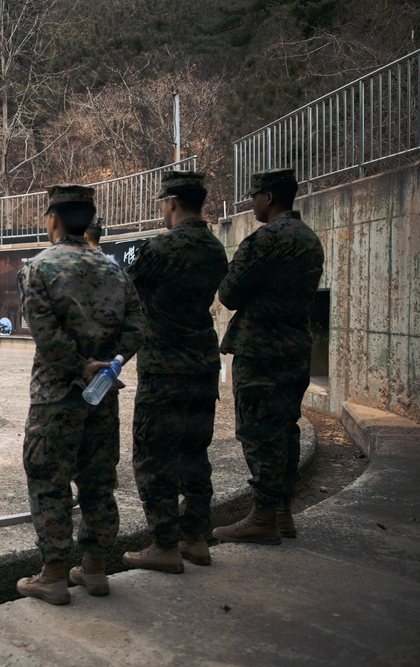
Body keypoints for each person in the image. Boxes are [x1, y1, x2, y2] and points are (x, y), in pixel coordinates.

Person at [15, 184, 144, 605]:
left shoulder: (39, 267)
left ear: (51, 217)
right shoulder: (114, 269)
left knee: (49, 481)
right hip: (101, 395)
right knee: (98, 482)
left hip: (56, 396)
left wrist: (76, 364)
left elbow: (44, 333)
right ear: (89, 221)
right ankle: (94, 570)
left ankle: (53, 575)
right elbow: (137, 327)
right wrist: (109, 362)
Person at [121, 171, 228, 573]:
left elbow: (128, 296)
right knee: (194, 452)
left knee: (153, 455)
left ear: (171, 203)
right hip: (202, 363)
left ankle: (164, 545)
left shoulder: (159, 248)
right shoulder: (215, 249)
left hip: (164, 367)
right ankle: (196, 539)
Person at [212, 168, 324, 545]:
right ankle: (282, 512)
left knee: (259, 433)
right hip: (294, 347)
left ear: (270, 197)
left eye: (255, 195)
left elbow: (228, 293)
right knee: (286, 428)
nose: (252, 202)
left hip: (260, 351)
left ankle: (262, 517)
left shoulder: (265, 239)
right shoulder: (309, 239)